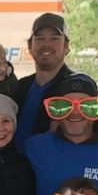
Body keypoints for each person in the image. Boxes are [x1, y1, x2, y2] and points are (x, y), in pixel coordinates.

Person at [15, 12, 73, 142]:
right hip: (13, 161)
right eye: (40, 38)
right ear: (30, 46)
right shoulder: (19, 87)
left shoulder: (77, 88)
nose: (46, 44)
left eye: (54, 39)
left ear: (66, 46)